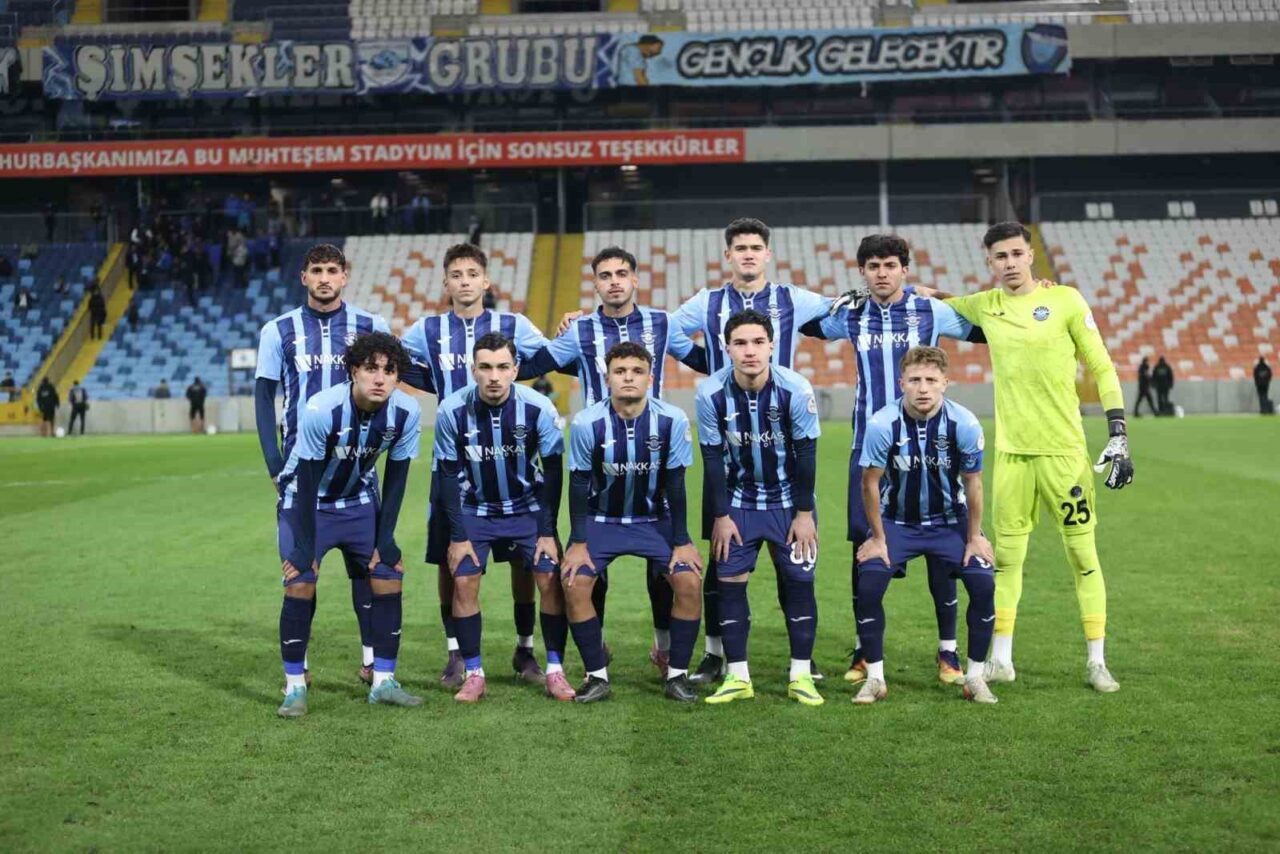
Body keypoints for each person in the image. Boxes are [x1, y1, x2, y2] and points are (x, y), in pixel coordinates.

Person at [944, 221, 1132, 692]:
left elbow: (1102, 365)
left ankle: (1097, 661)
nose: (1009, 263)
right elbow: (936, 301)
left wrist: (1118, 431)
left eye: (1016, 253)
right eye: (999, 257)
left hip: (1064, 454)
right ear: (989, 263)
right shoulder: (985, 305)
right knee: (1006, 560)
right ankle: (1002, 660)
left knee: (1082, 556)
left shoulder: (1065, 300)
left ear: (1030, 255)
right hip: (1012, 457)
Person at [809, 233, 986, 686]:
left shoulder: (929, 310)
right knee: (865, 545)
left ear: (905, 269)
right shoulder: (852, 314)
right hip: (869, 445)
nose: (882, 273)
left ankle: (948, 651)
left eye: (890, 265)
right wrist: (832, 301)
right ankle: (864, 650)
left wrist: (943, 293)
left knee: (941, 539)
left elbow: (984, 327)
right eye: (873, 266)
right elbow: (807, 324)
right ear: (862, 272)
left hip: (932, 444)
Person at [524, 245, 710, 675]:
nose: (614, 282)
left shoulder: (662, 323)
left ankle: (664, 648)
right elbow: (536, 364)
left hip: (654, 450)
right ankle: (598, 649)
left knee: (662, 566)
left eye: (621, 274)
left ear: (635, 279)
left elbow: (702, 359)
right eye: (605, 275)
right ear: (595, 284)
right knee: (593, 568)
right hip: (598, 451)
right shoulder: (580, 330)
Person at [399, 243, 553, 688]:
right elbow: (398, 363)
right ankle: (456, 653)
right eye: (456, 275)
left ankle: (525, 648)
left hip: (509, 457)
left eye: (472, 274)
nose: (464, 281)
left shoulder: (513, 325)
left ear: (486, 281)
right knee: (450, 558)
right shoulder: (427, 330)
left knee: (525, 561)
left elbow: (546, 358)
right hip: (453, 463)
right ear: (445, 283)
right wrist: (437, 384)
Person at [256, 243, 392, 687]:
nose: (325, 278)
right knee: (301, 574)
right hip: (302, 474)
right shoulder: (279, 330)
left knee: (367, 573)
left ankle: (372, 661)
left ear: (345, 276)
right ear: (304, 277)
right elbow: (264, 397)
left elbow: (393, 379)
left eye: (333, 270)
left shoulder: (371, 326)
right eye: (316, 270)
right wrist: (275, 464)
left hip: (358, 474)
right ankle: (298, 669)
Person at [276, 332, 422, 718]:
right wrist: (304, 546)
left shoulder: (406, 412)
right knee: (300, 580)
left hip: (359, 502)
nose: (380, 378)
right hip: (308, 503)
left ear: (398, 377)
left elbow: (397, 478)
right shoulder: (322, 409)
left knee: (388, 573)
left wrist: (386, 539)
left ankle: (383, 682)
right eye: (371, 368)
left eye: (389, 371)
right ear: (354, 370)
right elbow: (306, 480)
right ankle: (294, 687)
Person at [853, 346, 998, 705]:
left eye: (931, 380)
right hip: (897, 522)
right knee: (868, 583)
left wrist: (974, 537)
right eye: (915, 380)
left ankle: (975, 677)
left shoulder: (964, 424)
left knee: (983, 582)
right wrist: (878, 538)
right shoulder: (882, 424)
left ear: (945, 383)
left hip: (950, 522)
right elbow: (869, 484)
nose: (923, 388)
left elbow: (974, 484)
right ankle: (875, 679)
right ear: (901, 382)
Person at [562, 342, 703, 703]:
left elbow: (676, 484)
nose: (628, 378)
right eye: (620, 371)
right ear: (607, 378)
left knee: (689, 580)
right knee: (575, 583)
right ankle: (597, 675)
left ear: (650, 379)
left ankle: (677, 674)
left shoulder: (672, 420)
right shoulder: (586, 423)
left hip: (655, 519)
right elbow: (578, 484)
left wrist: (682, 541)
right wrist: (578, 542)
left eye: (637, 371)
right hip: (601, 519)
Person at [697, 310, 823, 707]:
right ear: (727, 348)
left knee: (799, 583)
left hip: (789, 504)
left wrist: (804, 514)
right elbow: (712, 459)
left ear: (771, 346)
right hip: (738, 503)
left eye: (757, 342)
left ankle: (801, 676)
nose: (749, 351)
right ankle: (738, 676)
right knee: (730, 583)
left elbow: (807, 455)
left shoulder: (795, 389)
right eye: (740, 343)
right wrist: (720, 516)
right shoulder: (710, 393)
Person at [435, 333, 570, 702]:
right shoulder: (451, 410)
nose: (494, 376)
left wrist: (547, 532)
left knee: (549, 578)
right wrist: (458, 536)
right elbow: (447, 475)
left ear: (515, 370)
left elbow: (553, 472)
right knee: (464, 581)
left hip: (526, 507)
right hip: (475, 508)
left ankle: (554, 669)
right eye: (486, 367)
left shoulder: (538, 407)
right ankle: (474, 674)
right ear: (473, 370)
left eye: (502, 367)